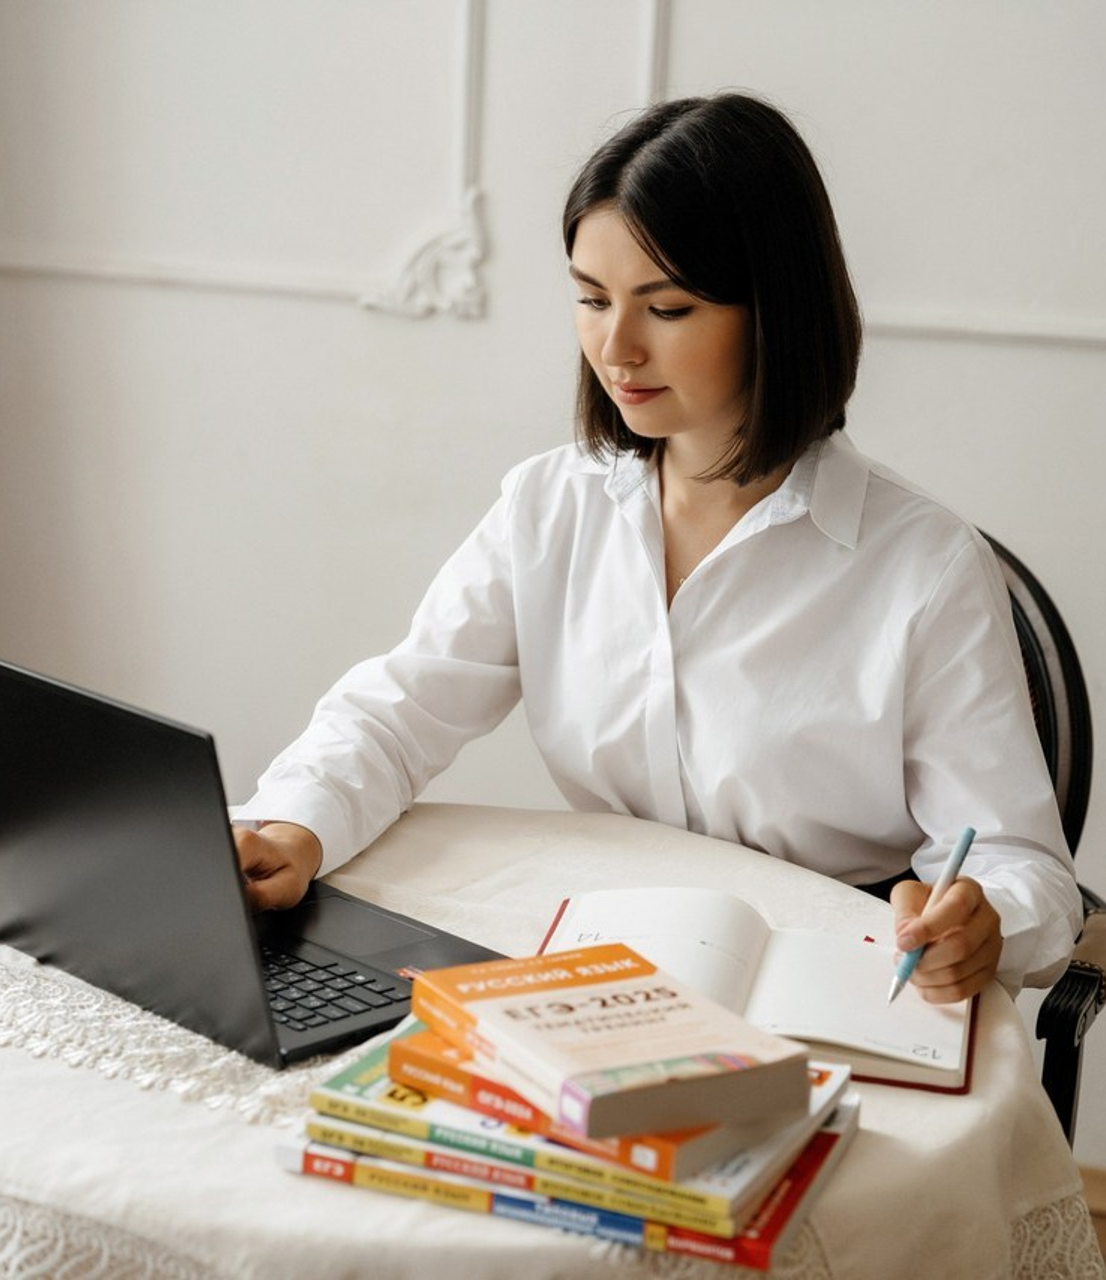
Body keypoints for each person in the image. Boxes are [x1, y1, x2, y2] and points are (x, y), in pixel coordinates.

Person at [230, 92, 1082, 1003]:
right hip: (611, 963)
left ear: (775, 310)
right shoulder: (551, 505)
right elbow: (400, 711)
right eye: (591, 300)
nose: (616, 348)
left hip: (838, 986)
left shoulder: (923, 565)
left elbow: (1019, 866)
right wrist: (294, 824)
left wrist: (987, 918)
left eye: (666, 308)